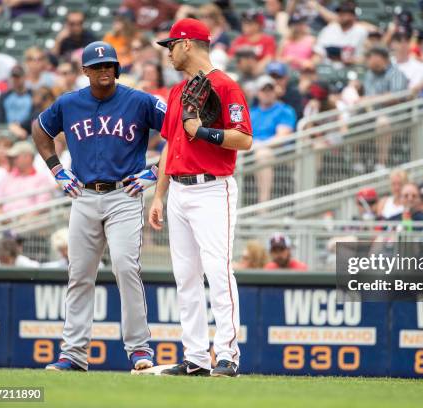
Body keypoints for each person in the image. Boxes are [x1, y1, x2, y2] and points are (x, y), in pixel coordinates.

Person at [32, 41, 165, 372]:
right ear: (85, 71)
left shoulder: (139, 100)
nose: (105, 70)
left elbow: (178, 132)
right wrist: (56, 170)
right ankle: (74, 354)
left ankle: (139, 350)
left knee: (125, 266)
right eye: (98, 66)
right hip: (84, 195)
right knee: (79, 274)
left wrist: (157, 171)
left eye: (109, 65)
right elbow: (39, 129)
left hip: (124, 194)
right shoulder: (70, 103)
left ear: (117, 68)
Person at [149, 18, 253, 377]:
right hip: (178, 189)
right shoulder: (177, 92)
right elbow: (169, 145)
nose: (169, 53)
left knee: (218, 272)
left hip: (213, 188)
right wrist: (159, 196)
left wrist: (204, 131)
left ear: (188, 44)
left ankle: (226, 355)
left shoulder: (225, 86)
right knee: (186, 277)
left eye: (172, 45)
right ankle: (194, 357)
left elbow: (244, 139)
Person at [250, 75, 297, 203]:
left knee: (263, 155)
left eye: (269, 89)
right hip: (251, 149)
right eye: (263, 90)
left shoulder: (284, 110)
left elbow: (282, 136)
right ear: (257, 93)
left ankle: (263, 205)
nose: (267, 93)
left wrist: (259, 145)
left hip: (278, 152)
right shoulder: (251, 112)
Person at [0, 141, 54, 214]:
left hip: (33, 223)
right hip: (8, 222)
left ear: (28, 157)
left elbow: (42, 206)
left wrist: (24, 220)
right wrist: (2, 218)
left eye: (15, 157)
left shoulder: (42, 179)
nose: (12, 160)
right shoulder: (7, 177)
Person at [314, 1, 368, 65]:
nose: (342, 15)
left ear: (354, 16)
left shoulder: (361, 31)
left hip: (350, 68)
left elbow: (365, 58)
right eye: (340, 12)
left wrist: (353, 60)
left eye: (346, 13)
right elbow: (319, 53)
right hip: (328, 67)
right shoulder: (329, 29)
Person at [229, 10, 276, 74]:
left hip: (260, 73)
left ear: (258, 25)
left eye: (249, 23)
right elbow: (231, 57)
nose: (245, 25)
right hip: (240, 73)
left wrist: (256, 68)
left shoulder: (267, 40)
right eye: (244, 22)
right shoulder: (239, 40)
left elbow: (269, 58)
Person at [0, 65, 33, 140]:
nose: (15, 79)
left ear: (24, 77)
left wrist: (20, 126)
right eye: (13, 77)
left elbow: (35, 116)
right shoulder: (4, 96)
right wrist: (11, 127)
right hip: (7, 133)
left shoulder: (32, 95)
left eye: (18, 77)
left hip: (27, 133)